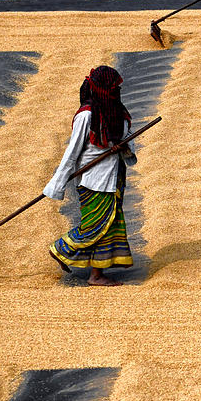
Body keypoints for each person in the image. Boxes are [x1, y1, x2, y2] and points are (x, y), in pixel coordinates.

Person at [43, 66, 136, 286]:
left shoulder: (119, 112)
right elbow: (72, 152)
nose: (117, 91)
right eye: (114, 88)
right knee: (94, 227)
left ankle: (96, 275)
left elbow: (129, 141)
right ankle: (61, 249)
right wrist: (57, 185)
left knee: (109, 227)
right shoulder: (86, 115)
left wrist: (121, 147)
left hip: (115, 178)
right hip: (93, 180)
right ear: (104, 89)